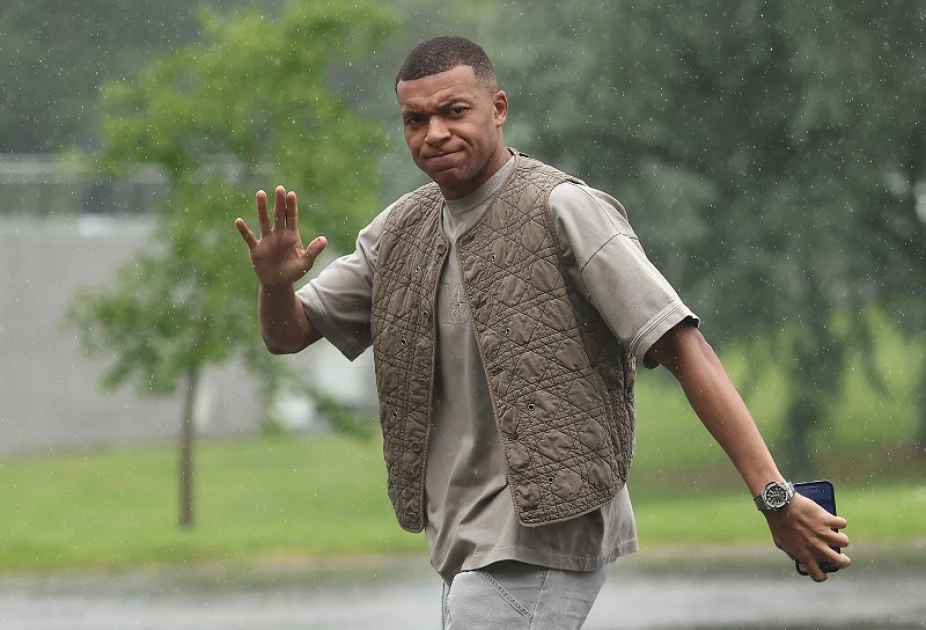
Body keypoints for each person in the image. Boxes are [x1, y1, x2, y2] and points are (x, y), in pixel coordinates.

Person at [235, 36, 850, 629]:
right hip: (461, 546)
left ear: (498, 108)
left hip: (549, 530)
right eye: (415, 120)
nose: (434, 133)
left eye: (454, 111)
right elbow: (288, 334)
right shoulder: (400, 231)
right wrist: (272, 283)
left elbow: (684, 346)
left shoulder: (565, 208)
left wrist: (774, 496)